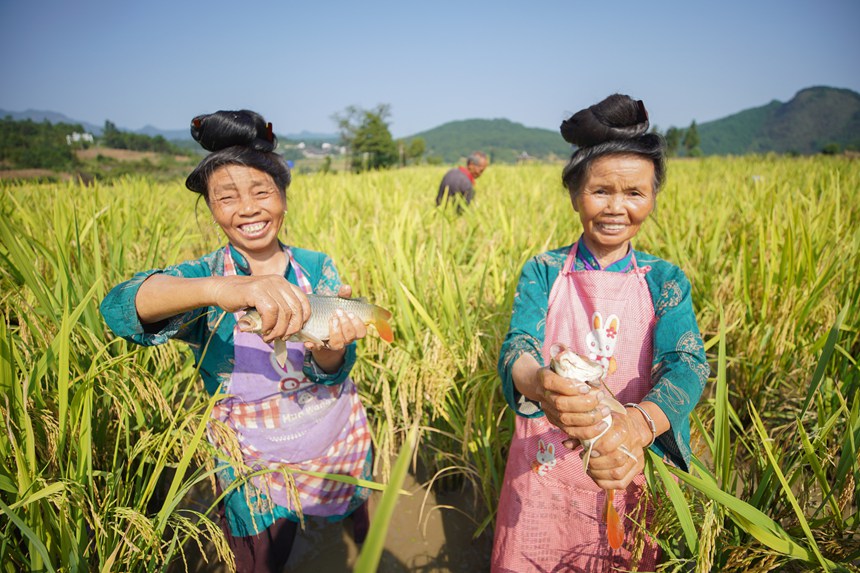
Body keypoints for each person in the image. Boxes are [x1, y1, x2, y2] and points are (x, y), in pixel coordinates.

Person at [100, 110, 373, 572]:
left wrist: (333, 347)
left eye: (261, 192)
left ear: (283, 197)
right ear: (210, 208)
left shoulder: (316, 266)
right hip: (253, 465)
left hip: (332, 437)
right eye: (226, 197)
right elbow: (120, 308)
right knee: (260, 559)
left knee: (359, 539)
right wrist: (223, 290)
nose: (247, 209)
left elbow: (330, 368)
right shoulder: (202, 278)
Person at [492, 94, 709, 572]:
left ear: (653, 197)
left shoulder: (664, 280)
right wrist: (538, 384)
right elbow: (519, 348)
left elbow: (686, 363)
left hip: (631, 458)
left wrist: (638, 425)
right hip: (545, 462)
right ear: (575, 194)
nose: (616, 208)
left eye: (635, 193)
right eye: (601, 191)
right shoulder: (544, 271)